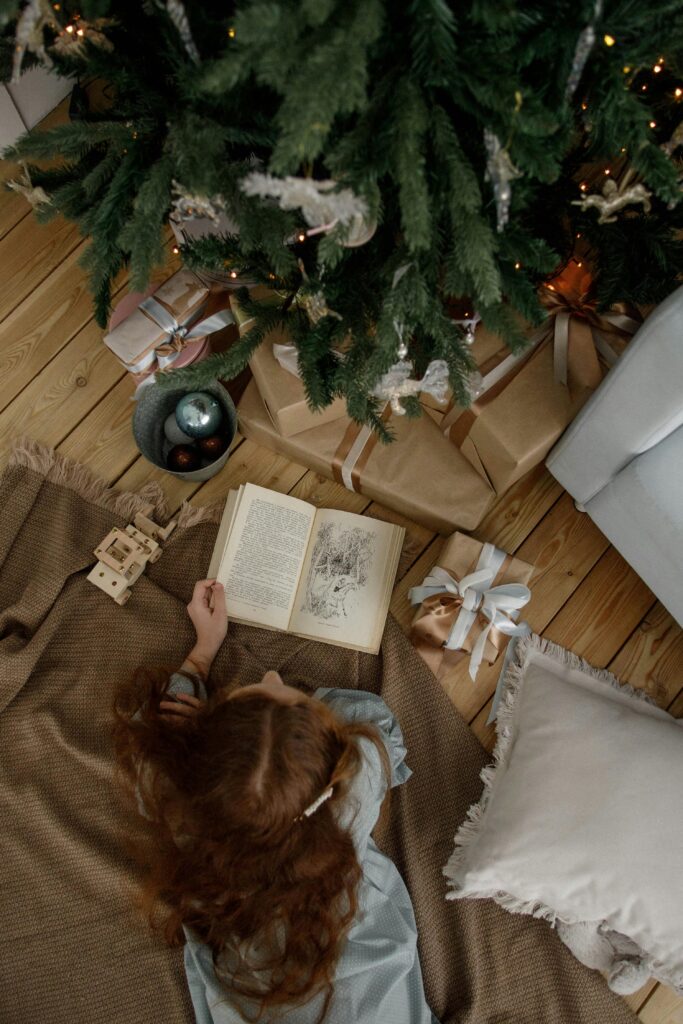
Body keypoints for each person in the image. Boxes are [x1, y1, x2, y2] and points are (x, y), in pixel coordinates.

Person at [114, 579, 438, 1024]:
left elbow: (151, 745)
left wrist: (202, 654)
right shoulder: (354, 786)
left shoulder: (188, 812)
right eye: (290, 692)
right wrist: (312, 725)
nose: (271, 675)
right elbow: (379, 724)